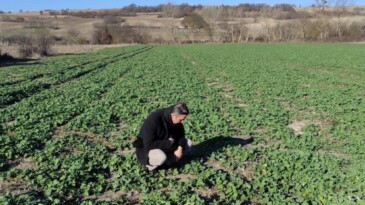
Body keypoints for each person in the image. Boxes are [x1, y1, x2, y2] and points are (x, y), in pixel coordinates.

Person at [133, 102, 192, 171]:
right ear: (174, 116)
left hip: (166, 143)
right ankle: (151, 166)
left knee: (188, 143)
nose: (182, 122)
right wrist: (169, 143)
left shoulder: (175, 119)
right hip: (146, 148)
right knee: (161, 157)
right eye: (181, 119)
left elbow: (181, 134)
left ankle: (168, 162)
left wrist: (180, 148)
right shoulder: (153, 120)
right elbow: (148, 145)